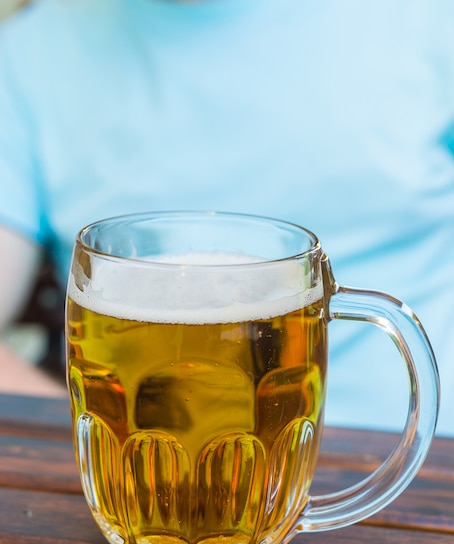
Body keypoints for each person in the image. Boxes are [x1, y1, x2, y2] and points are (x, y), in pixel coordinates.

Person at [0, 0, 453, 434]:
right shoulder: (27, 54)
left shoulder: (431, 16)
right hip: (155, 488)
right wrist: (101, 443)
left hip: (430, 459)